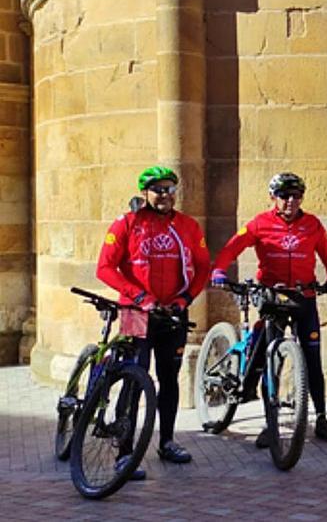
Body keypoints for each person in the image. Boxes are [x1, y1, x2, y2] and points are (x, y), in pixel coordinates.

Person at [210, 172, 327, 445]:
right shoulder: (260, 223)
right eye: (284, 195)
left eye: (296, 195)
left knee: (313, 358)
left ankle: (321, 418)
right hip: (272, 297)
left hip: (304, 296)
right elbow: (231, 249)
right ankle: (270, 425)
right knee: (272, 359)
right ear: (273, 197)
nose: (291, 201)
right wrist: (220, 271)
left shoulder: (313, 224)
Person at [96, 165, 210, 477]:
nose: (165, 195)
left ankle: (168, 441)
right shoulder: (128, 223)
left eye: (170, 189)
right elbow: (104, 268)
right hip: (137, 312)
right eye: (158, 189)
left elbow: (203, 267)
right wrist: (137, 296)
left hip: (172, 313)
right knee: (135, 376)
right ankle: (125, 452)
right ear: (145, 193)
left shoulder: (187, 225)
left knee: (169, 378)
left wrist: (185, 300)